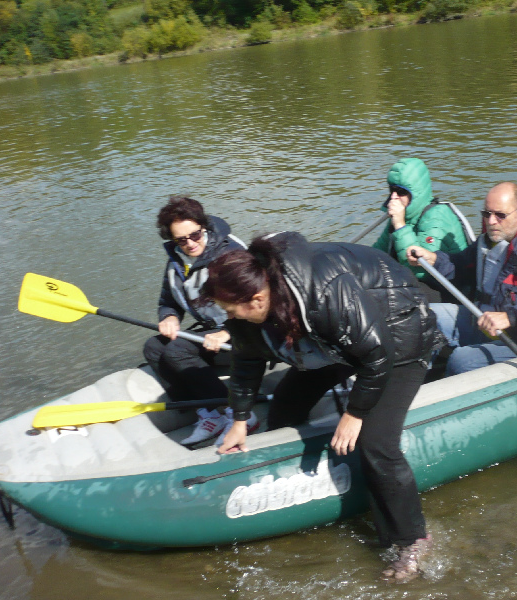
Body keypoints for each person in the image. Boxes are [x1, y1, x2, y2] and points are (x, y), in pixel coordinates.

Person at [201, 232, 441, 582]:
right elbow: (246, 361)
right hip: (339, 340)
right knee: (285, 405)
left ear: (256, 300)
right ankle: (299, 490)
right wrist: (239, 419)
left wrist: (355, 413)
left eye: (229, 309)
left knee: (376, 441)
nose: (227, 316)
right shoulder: (250, 310)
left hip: (400, 335)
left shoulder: (326, 291)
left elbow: (377, 353)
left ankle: (413, 540)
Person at [408, 182, 517, 376]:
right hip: (487, 322)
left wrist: (510, 317)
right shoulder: (490, 239)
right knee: (423, 315)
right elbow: (461, 267)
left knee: (462, 360)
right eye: (487, 214)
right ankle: (413, 383)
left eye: (500, 215)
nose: (491, 221)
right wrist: (433, 259)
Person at [143, 196, 258, 446]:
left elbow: (256, 304)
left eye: (195, 235)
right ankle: (207, 413)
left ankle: (240, 414)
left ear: (203, 227)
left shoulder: (230, 255)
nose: (190, 244)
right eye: (181, 240)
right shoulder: (177, 260)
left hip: (249, 332)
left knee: (178, 350)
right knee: (154, 347)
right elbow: (168, 301)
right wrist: (169, 317)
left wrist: (228, 332)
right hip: (213, 329)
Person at [373, 157, 475, 300]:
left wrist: (400, 226)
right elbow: (377, 252)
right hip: (416, 286)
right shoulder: (402, 216)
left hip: (447, 290)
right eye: (392, 190)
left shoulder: (436, 216)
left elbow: (420, 271)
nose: (393, 197)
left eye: (401, 191)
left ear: (416, 193)